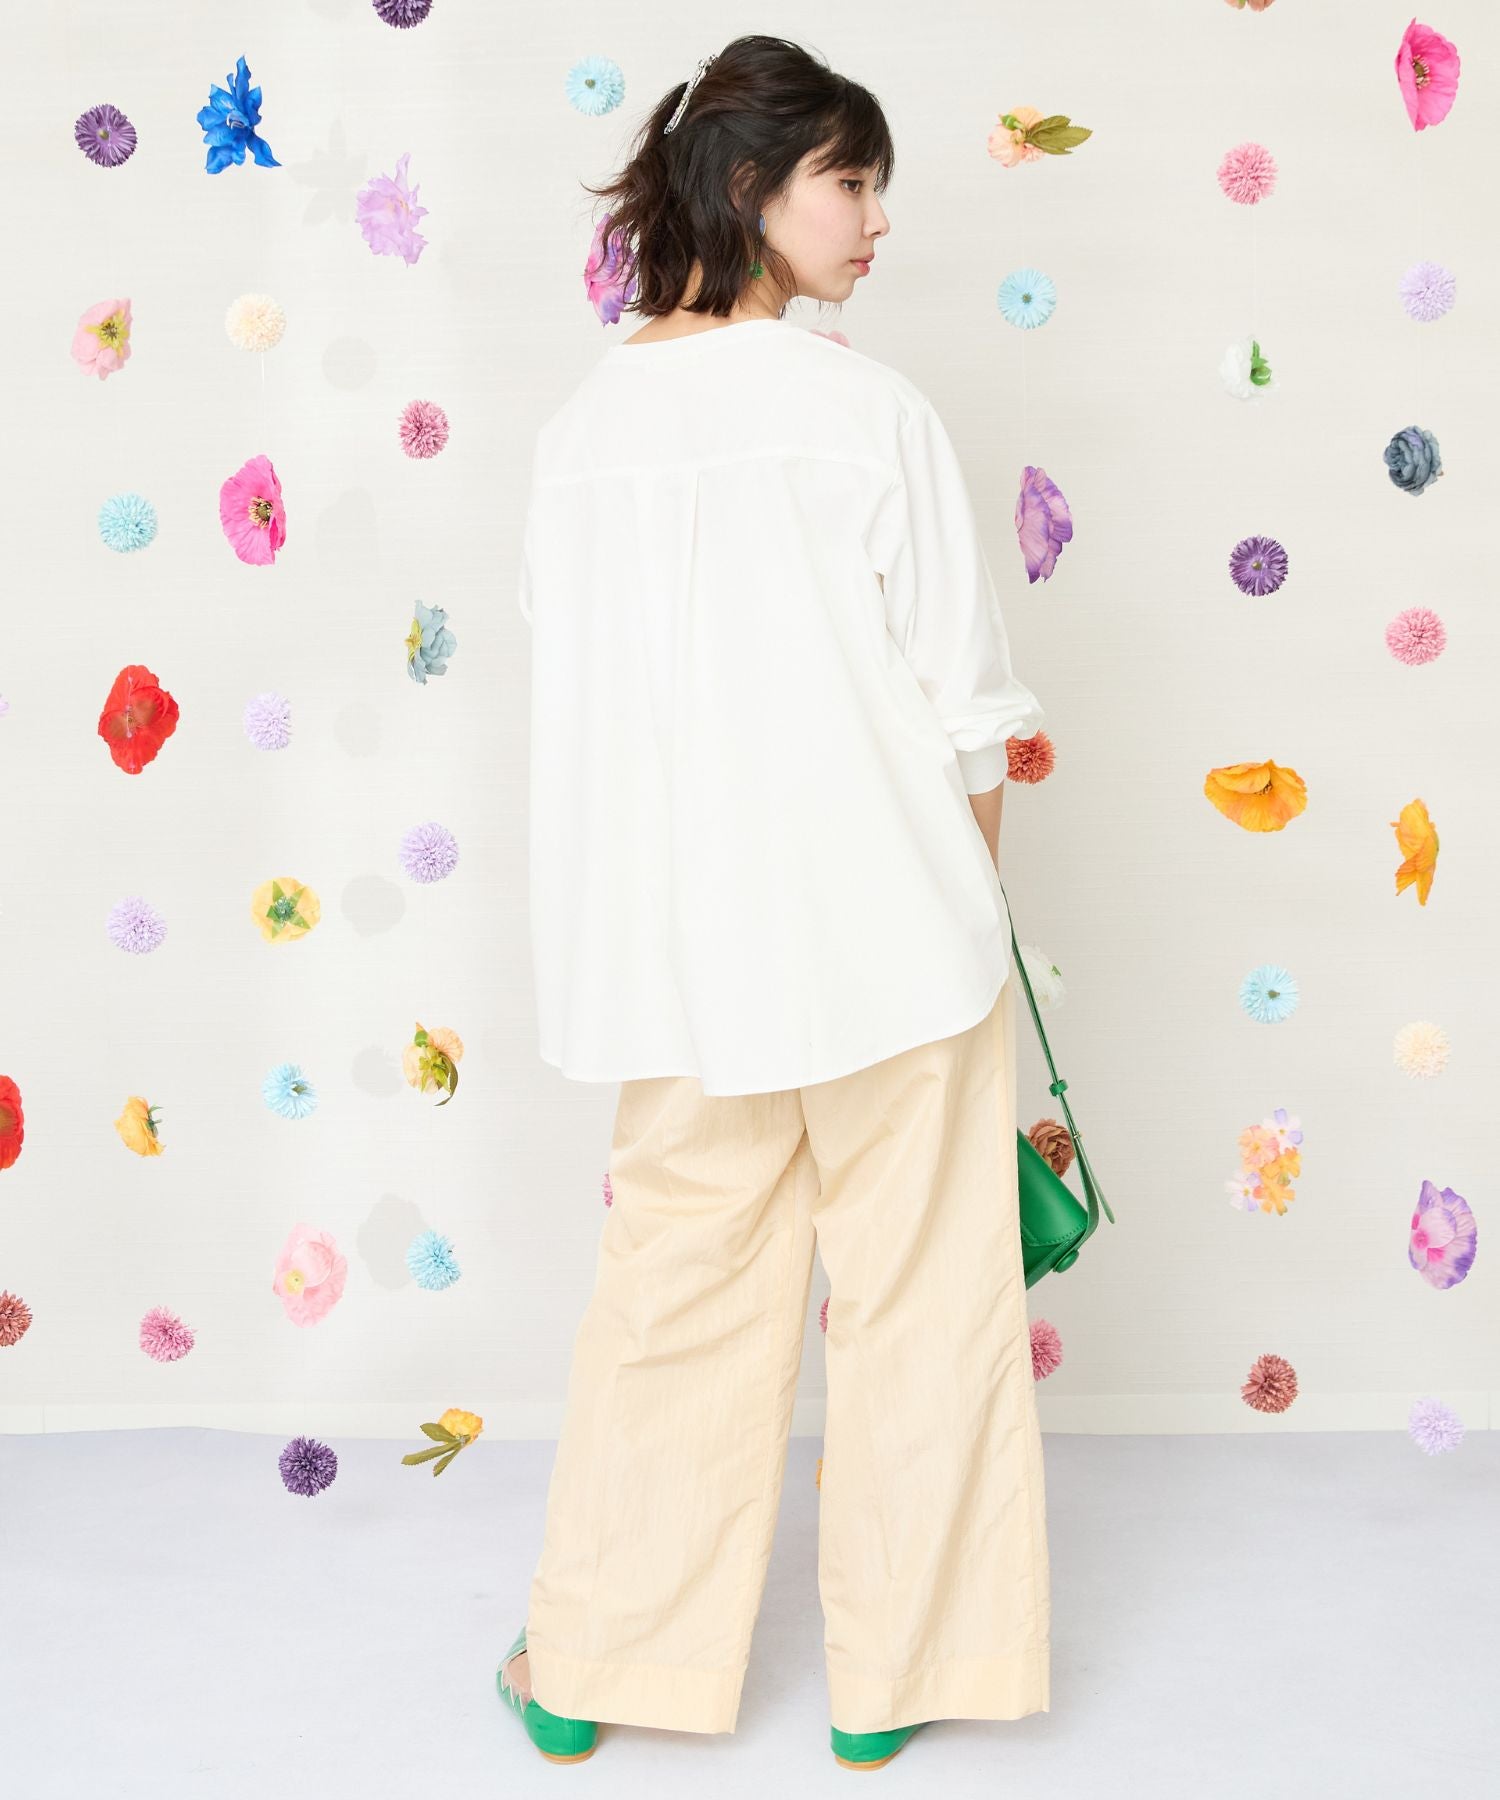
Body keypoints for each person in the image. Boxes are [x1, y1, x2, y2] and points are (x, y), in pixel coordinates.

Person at [497, 33, 1051, 1771]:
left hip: (677, 959)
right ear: (752, 187)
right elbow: (967, 707)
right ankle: (906, 1681)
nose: (877, 222)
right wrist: (978, 908)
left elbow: (587, 714)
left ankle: (598, 1664)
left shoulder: (580, 435)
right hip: (891, 936)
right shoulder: (866, 413)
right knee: (925, 1303)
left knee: (674, 1297)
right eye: (850, 182)